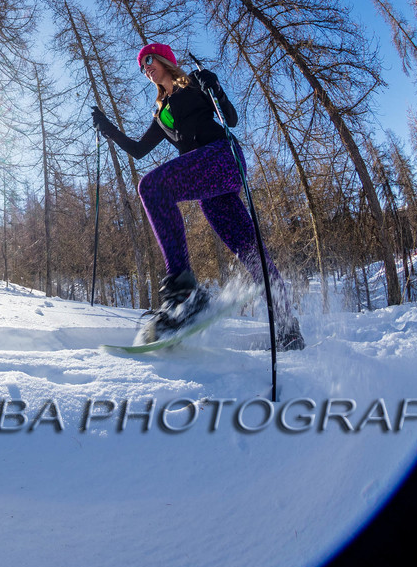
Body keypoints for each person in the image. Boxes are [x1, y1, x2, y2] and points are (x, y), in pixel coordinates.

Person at [91, 42, 305, 348]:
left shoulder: (192, 82)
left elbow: (229, 119)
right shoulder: (162, 111)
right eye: (141, 66)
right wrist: (108, 128)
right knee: (250, 250)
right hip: (211, 185)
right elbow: (139, 151)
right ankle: (289, 329)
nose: (145, 67)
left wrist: (214, 86)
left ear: (166, 59)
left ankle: (184, 291)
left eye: (149, 59)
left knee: (153, 187)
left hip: (223, 157)